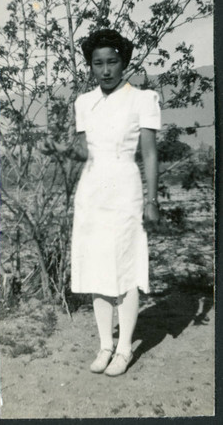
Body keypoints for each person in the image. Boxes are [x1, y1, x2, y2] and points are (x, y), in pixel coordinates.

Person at [43, 29, 161, 377]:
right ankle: (104, 345)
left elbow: (150, 154)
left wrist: (152, 200)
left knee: (125, 267)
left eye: (112, 62)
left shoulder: (143, 99)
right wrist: (63, 149)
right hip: (92, 188)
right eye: (98, 64)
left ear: (124, 62)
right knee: (97, 267)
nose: (106, 70)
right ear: (90, 67)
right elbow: (84, 150)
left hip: (125, 187)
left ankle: (124, 348)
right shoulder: (83, 102)